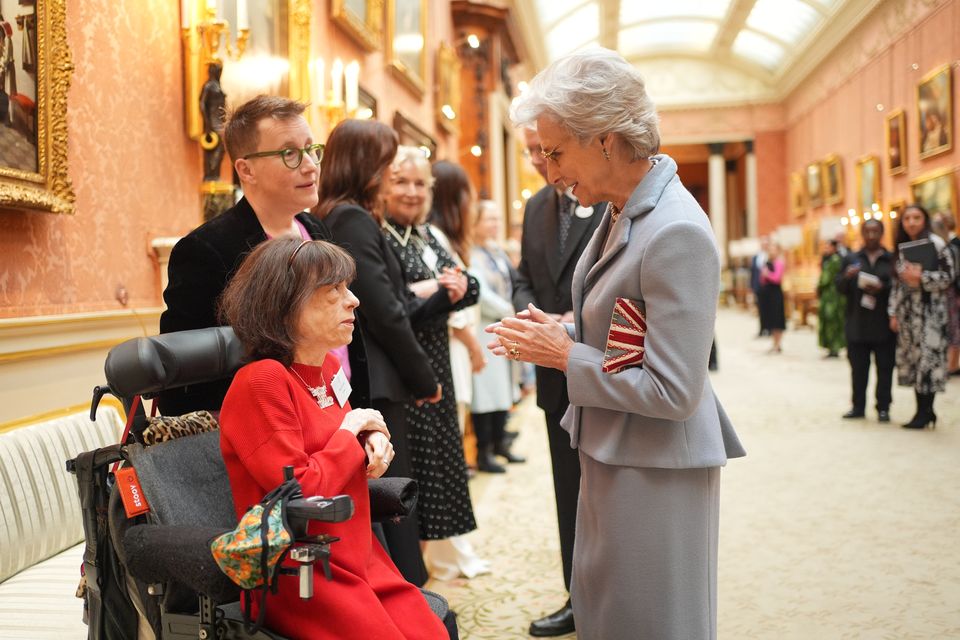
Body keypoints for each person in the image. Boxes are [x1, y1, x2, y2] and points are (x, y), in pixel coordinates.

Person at [491, 48, 745, 640]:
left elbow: (674, 388)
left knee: (652, 619)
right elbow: (629, 331)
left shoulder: (674, 228)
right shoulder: (621, 209)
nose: (549, 172)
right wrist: (567, 333)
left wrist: (565, 355)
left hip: (655, 462)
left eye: (555, 152)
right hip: (618, 446)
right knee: (608, 607)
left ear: (605, 139)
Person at [217, 236, 448, 640]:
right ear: (284, 304)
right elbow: (300, 490)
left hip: (357, 554)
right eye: (333, 291)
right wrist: (350, 433)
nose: (353, 300)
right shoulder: (261, 381)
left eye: (347, 288)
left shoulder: (324, 368)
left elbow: (337, 444)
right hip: (302, 571)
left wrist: (371, 443)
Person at [315, 119, 448, 586]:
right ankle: (413, 597)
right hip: (381, 377)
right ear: (365, 164)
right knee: (395, 497)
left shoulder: (333, 212)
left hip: (366, 371)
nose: (393, 172)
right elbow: (385, 311)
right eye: (388, 162)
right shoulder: (350, 216)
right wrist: (425, 379)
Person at [159, 95, 328, 416]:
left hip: (334, 416)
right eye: (290, 153)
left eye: (311, 149)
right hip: (263, 429)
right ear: (246, 170)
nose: (309, 165)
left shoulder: (316, 229)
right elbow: (182, 370)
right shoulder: (206, 249)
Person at [512, 126, 603, 638]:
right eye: (529, 151)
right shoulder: (533, 208)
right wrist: (533, 315)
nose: (538, 160)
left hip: (597, 361)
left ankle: (613, 595)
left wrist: (573, 319)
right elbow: (523, 272)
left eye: (545, 150)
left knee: (608, 488)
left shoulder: (609, 199)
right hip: (552, 374)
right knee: (567, 489)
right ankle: (576, 596)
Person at [384, 148, 490, 581]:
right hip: (406, 368)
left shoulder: (427, 234)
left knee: (440, 470)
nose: (412, 192)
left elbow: (471, 286)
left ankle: (424, 569)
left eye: (420, 184)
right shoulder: (383, 236)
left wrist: (442, 290)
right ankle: (414, 572)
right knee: (416, 474)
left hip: (439, 366)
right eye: (402, 182)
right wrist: (440, 290)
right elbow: (398, 305)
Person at [888, 204, 955, 429]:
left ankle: (926, 411)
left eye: (916, 218)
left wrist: (922, 277)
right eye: (907, 218)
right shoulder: (900, 248)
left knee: (929, 361)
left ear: (924, 220)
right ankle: (923, 411)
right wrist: (893, 312)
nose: (912, 222)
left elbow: (948, 277)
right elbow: (896, 284)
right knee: (915, 362)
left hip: (931, 313)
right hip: (909, 315)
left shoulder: (937, 245)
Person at [470, 200, 523, 473]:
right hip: (484, 328)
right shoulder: (471, 253)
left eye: (496, 219)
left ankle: (501, 442)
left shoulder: (496, 251)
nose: (494, 224)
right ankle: (484, 451)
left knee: (503, 390)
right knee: (486, 393)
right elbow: (479, 292)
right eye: (488, 219)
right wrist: (508, 309)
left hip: (503, 325)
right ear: (475, 222)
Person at [836, 219, 896, 422]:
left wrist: (883, 287)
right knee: (858, 369)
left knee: (885, 368)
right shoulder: (852, 258)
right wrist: (847, 276)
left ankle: (883, 407)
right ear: (862, 234)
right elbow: (840, 289)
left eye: (875, 231)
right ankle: (858, 406)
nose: (871, 236)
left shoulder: (891, 259)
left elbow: (898, 288)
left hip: (883, 323)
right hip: (857, 323)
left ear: (882, 233)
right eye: (868, 232)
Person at [931, 211, 960, 375]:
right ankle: (949, 364)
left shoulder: (953, 247)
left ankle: (952, 365)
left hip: (951, 292)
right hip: (943, 292)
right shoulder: (941, 246)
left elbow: (954, 273)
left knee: (953, 330)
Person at [817, 239, 846, 357]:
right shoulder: (829, 259)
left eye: (828, 247)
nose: (826, 249)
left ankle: (834, 347)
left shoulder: (834, 260)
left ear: (834, 248)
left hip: (832, 296)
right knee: (829, 320)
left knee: (832, 320)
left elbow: (825, 278)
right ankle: (831, 347)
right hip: (829, 295)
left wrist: (819, 285)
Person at [199, 61, 227, 182]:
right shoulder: (209, 86)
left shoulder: (217, 85)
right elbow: (202, 104)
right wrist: (207, 124)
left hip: (220, 123)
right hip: (212, 123)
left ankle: (215, 174)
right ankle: (211, 175)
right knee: (213, 150)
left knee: (221, 150)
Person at [759, 243, 786, 353]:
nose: (771, 252)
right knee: (771, 319)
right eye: (770, 250)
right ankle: (774, 343)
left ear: (777, 251)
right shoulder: (767, 263)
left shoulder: (779, 263)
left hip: (776, 293)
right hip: (768, 294)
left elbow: (777, 279)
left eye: (773, 250)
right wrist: (763, 276)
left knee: (777, 318)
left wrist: (767, 274)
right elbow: (762, 280)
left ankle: (778, 343)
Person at [750, 236, 770, 337]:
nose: (764, 245)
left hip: (769, 287)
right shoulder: (755, 257)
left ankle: (769, 329)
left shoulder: (770, 256)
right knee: (760, 308)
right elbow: (753, 273)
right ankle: (762, 329)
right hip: (758, 287)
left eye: (766, 243)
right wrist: (752, 287)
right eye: (763, 243)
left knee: (769, 308)